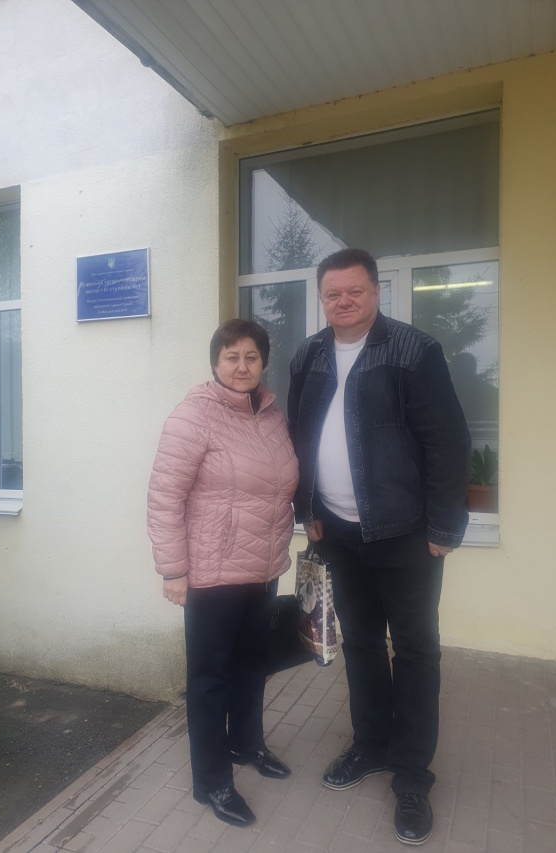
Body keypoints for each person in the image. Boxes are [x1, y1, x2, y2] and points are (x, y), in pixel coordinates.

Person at [288, 248, 470, 846]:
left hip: (407, 534)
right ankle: (370, 745)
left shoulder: (414, 350)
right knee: (362, 643)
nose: (343, 301)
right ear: (322, 298)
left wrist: (444, 527)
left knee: (415, 650)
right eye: (332, 293)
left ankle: (412, 776)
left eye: (355, 291)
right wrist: (307, 510)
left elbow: (447, 441)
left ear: (376, 292)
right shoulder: (308, 355)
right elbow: (298, 435)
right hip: (338, 532)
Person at [147, 319, 298, 828]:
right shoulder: (194, 416)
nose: (241, 366)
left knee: (253, 665)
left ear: (264, 362)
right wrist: (173, 569)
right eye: (231, 356)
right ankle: (212, 780)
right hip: (211, 574)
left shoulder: (271, 414)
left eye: (251, 356)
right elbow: (164, 497)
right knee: (210, 679)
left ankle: (246, 745)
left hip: (262, 569)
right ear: (215, 362)